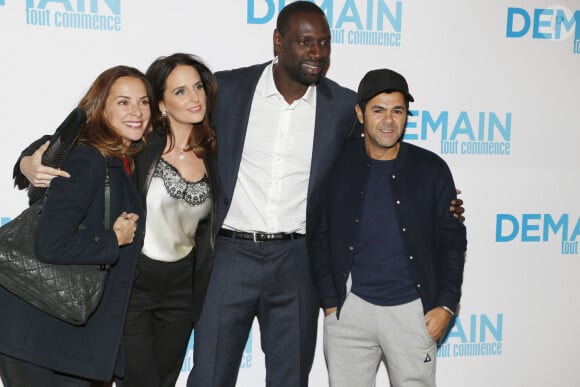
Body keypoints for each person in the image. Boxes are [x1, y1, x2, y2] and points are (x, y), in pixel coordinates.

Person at [188, 2, 464, 387]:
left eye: (324, 43)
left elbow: (378, 163)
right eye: (304, 42)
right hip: (231, 255)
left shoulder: (341, 108)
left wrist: (439, 200)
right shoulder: (228, 89)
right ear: (278, 41)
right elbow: (173, 125)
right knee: (210, 376)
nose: (317, 53)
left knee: (291, 379)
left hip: (297, 262)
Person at [14, 53, 219, 387]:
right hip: (132, 282)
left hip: (183, 288)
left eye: (197, 87)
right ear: (162, 104)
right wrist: (26, 162)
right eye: (180, 91)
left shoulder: (217, 152)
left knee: (163, 380)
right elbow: (67, 142)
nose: (194, 97)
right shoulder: (140, 144)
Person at [315, 68, 468, 387]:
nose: (388, 120)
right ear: (360, 113)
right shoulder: (337, 165)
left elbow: (453, 241)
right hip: (350, 312)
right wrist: (331, 301)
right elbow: (321, 234)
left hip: (413, 312)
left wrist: (445, 305)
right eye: (378, 110)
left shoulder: (432, 169)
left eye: (397, 110)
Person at [0, 65, 151, 386]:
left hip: (71, 332)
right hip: (38, 328)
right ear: (100, 107)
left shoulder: (123, 156)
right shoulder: (89, 159)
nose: (137, 111)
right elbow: (51, 242)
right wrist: (114, 240)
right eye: (123, 102)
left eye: (143, 102)